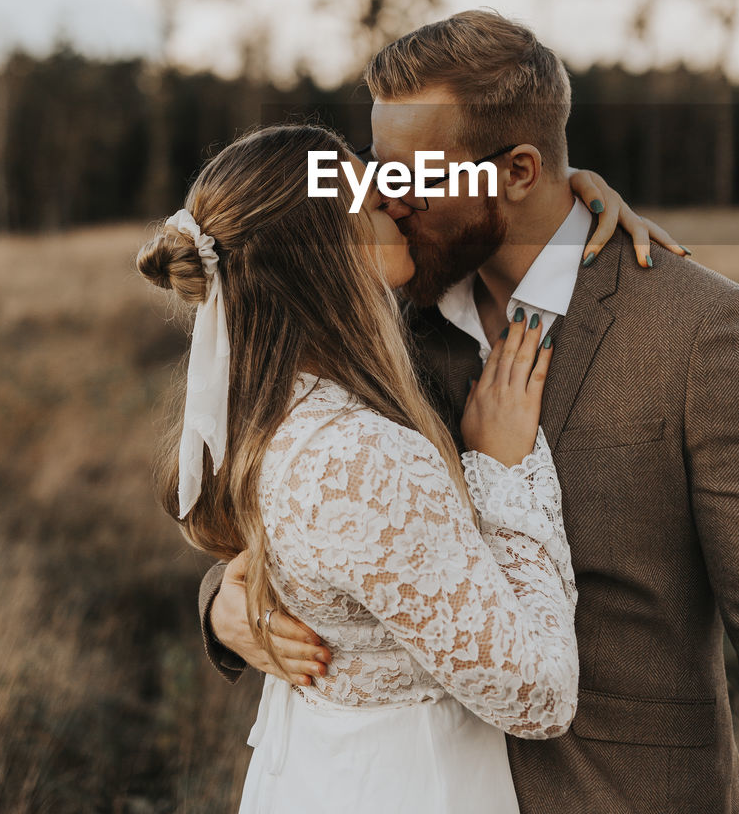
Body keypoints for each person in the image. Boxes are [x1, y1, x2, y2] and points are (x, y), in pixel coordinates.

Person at [202, 10, 739, 814]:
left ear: (519, 171)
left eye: (410, 178)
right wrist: (223, 604)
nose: (383, 199)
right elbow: (308, 503)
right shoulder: (379, 327)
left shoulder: (699, 330)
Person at [137, 123, 587, 814]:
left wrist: (580, 195)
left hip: (324, 769)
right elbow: (539, 696)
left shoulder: (258, 411)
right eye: (359, 184)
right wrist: (502, 473)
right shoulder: (358, 458)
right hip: (411, 781)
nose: (387, 189)